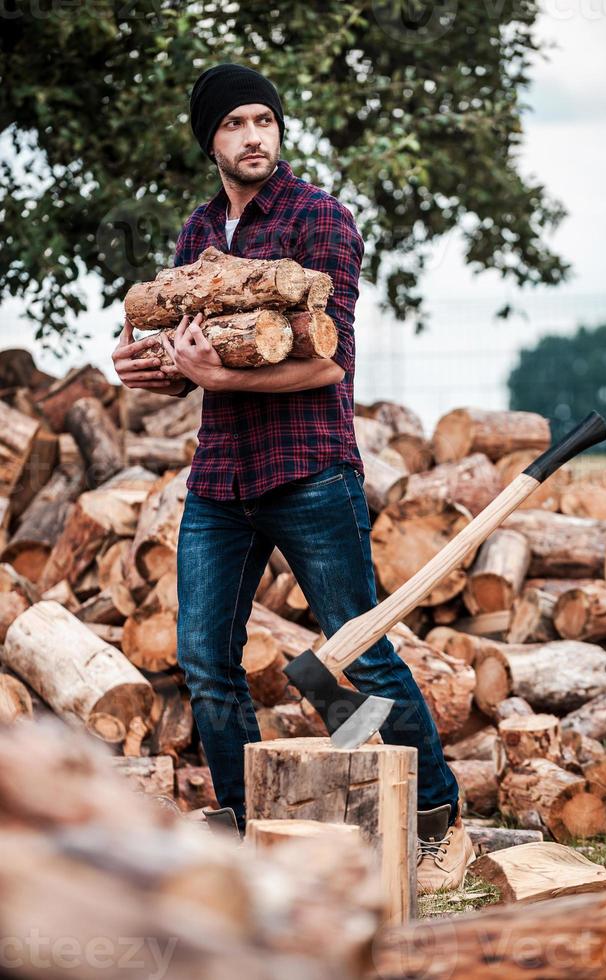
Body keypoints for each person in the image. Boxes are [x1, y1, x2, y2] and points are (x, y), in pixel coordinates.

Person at [112, 63, 474, 892]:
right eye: (235, 123)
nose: (254, 137)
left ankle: (436, 822)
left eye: (264, 121)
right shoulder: (198, 234)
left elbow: (329, 364)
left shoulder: (322, 221)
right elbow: (185, 358)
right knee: (205, 662)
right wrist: (143, 366)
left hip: (309, 472)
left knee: (365, 658)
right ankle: (249, 834)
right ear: (211, 138)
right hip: (221, 481)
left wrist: (224, 380)